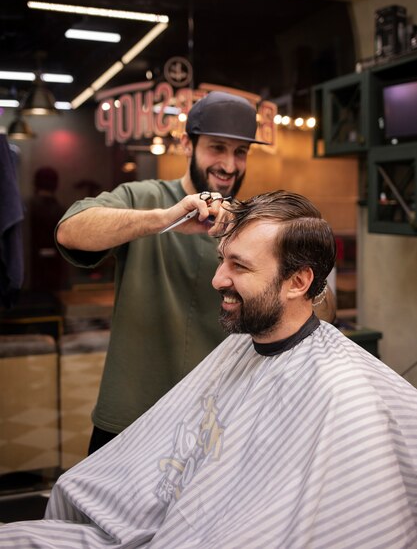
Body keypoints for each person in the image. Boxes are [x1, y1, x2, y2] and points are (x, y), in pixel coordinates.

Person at [2, 190, 417, 548]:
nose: (218, 278)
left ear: (297, 282)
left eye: (239, 265)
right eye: (222, 260)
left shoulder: (341, 391)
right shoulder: (240, 350)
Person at [55, 91, 336, 454]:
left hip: (215, 421)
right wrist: (166, 219)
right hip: (133, 416)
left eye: (240, 152)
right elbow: (71, 230)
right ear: (187, 144)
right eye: (217, 148)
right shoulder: (145, 198)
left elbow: (314, 313)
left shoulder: (256, 224)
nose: (230, 165)